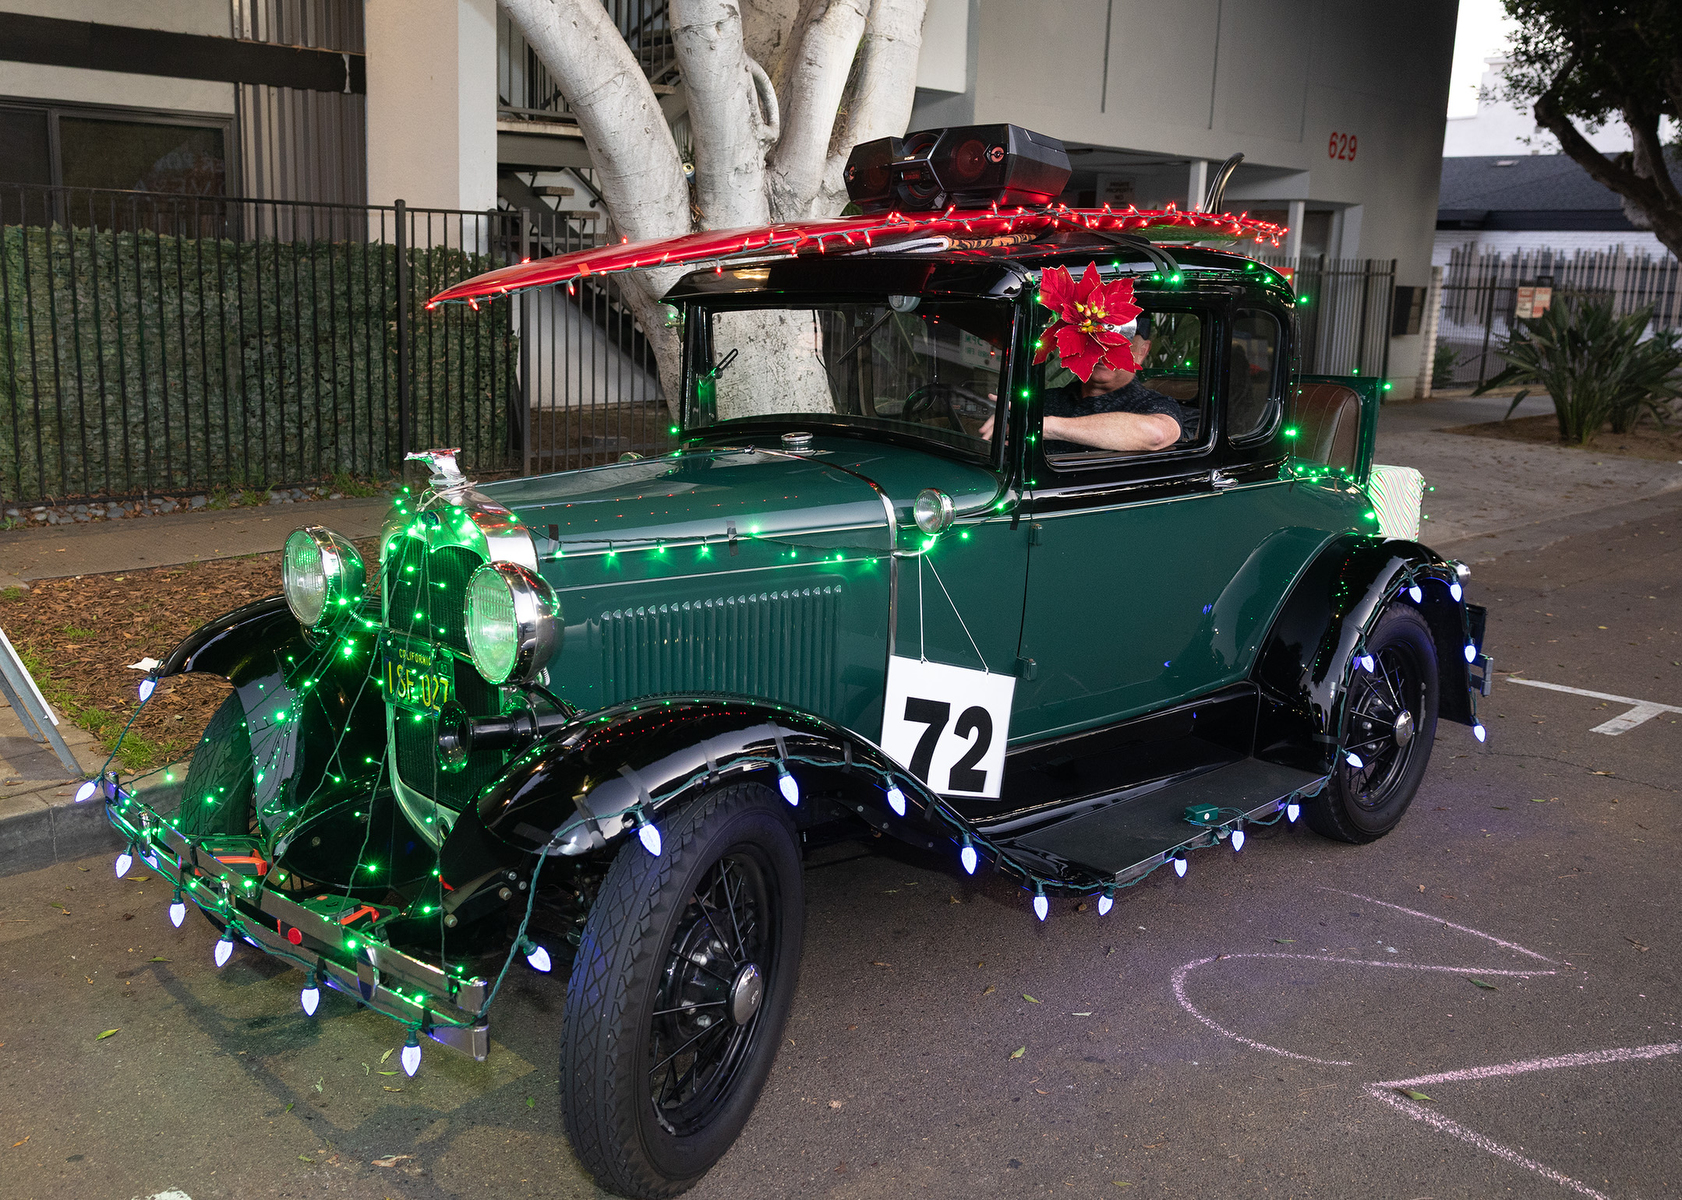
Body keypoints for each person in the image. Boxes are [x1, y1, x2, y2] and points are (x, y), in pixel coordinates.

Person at [980, 320, 1182, 453]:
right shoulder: (1045, 400)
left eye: (1117, 344)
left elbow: (1157, 434)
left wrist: (1043, 426)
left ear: (1142, 351)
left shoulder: (1152, 405)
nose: (1103, 352)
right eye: (1093, 339)